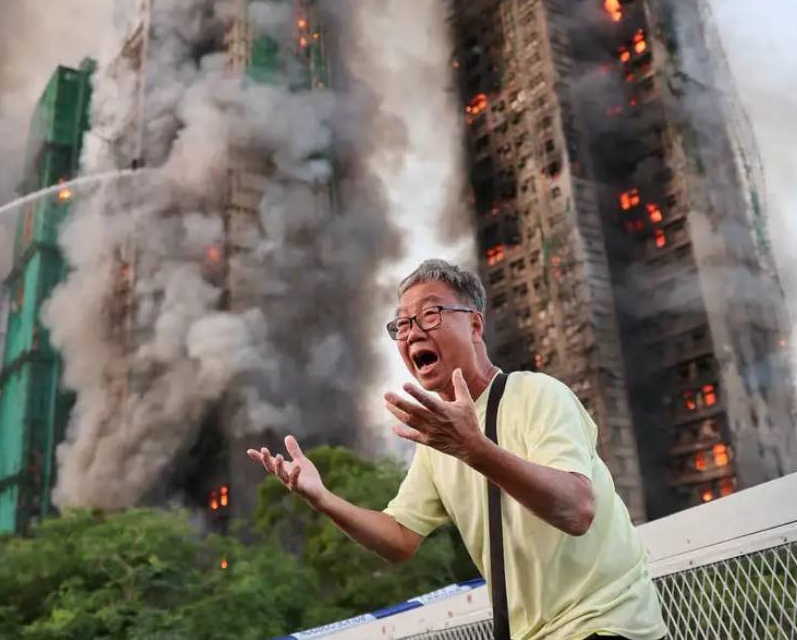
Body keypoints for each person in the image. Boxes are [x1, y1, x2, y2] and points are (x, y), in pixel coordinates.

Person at [247, 259, 667, 640]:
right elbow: (399, 538)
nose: (413, 331)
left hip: (605, 624)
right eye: (402, 324)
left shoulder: (537, 394)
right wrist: (322, 499)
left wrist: (473, 448)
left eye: (430, 314)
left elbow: (576, 510)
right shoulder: (438, 443)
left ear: (475, 326)